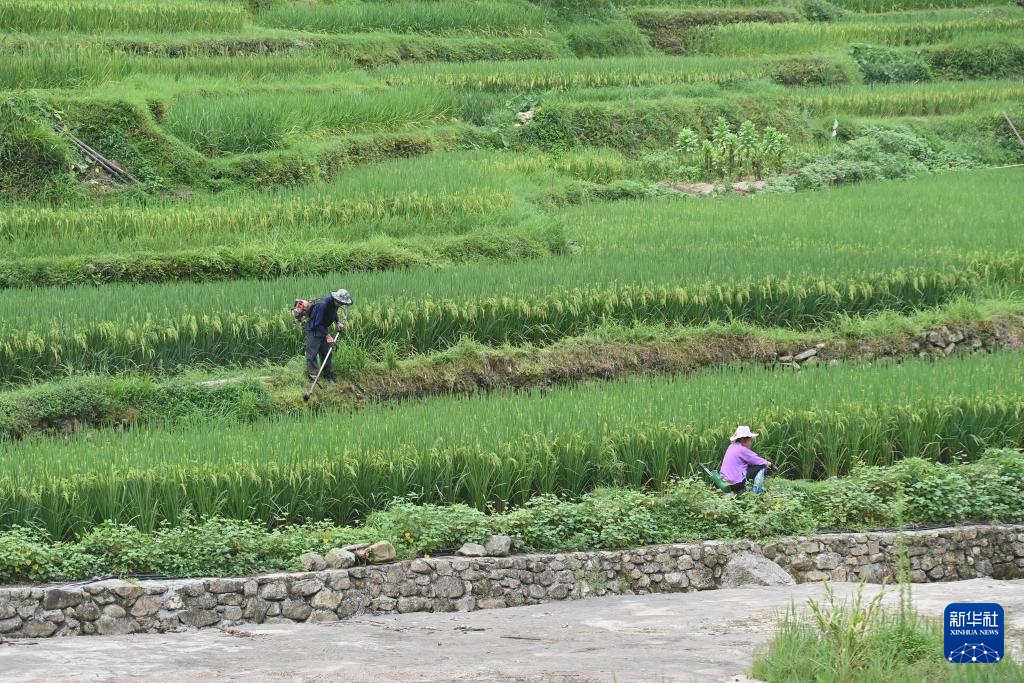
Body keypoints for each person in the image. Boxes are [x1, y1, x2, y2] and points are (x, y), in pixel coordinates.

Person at [305, 289, 353, 383]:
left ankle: (329, 376)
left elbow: (333, 313)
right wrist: (327, 336)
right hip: (314, 329)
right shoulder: (323, 304)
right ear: (335, 298)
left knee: (327, 352)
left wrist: (338, 322)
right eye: (339, 302)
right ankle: (313, 377)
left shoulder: (335, 304)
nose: (340, 305)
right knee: (312, 354)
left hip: (323, 329)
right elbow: (317, 323)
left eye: (342, 303)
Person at [719, 426, 775, 494]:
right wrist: (771, 465)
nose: (751, 443)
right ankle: (757, 492)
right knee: (762, 466)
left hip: (723, 480)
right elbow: (758, 461)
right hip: (734, 484)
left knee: (751, 466)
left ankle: (748, 489)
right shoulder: (742, 450)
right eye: (750, 440)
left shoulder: (731, 446)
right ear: (743, 440)